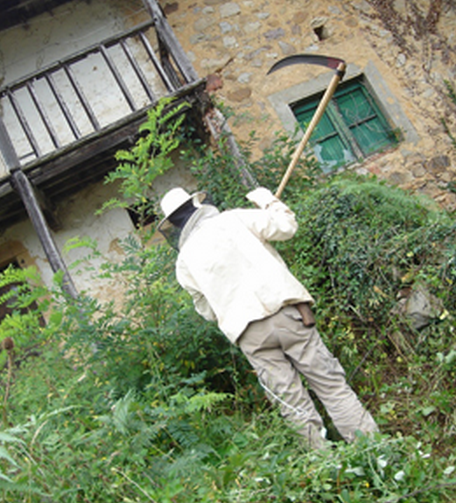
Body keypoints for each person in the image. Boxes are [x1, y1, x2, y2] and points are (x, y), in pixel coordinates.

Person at [158, 186, 378, 448]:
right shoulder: (234, 219)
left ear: (172, 223)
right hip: (287, 316)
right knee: (331, 386)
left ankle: (327, 470)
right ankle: (373, 450)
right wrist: (267, 200)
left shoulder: (184, 262)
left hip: (249, 335)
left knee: (292, 404)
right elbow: (286, 227)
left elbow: (206, 309)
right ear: (196, 204)